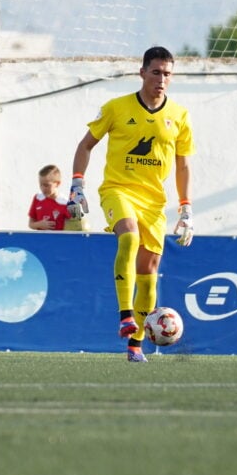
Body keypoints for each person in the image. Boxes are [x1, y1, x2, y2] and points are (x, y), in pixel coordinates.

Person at [68, 46, 194, 362]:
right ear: (142, 73)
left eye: (167, 73)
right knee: (129, 236)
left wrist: (186, 208)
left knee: (149, 270)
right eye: (156, 72)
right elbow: (86, 145)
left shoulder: (179, 116)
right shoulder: (116, 108)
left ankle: (136, 345)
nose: (161, 79)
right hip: (118, 190)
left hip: (153, 203)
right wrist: (77, 184)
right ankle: (126, 315)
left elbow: (182, 165)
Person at [28, 164, 72, 231]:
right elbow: (30, 224)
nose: (43, 188)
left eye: (46, 185)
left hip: (59, 240)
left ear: (57, 184)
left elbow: (73, 227)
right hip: (41, 240)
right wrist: (40, 224)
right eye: (41, 185)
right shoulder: (37, 198)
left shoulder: (66, 203)